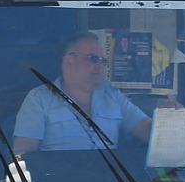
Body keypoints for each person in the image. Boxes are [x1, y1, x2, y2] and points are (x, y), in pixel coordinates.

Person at [12, 30, 152, 155]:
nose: (99, 65)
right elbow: (23, 155)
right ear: (69, 60)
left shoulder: (113, 95)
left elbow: (147, 132)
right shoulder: (39, 99)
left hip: (112, 180)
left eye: (103, 61)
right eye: (93, 58)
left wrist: (168, 116)